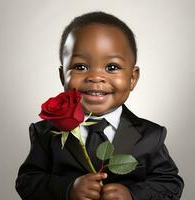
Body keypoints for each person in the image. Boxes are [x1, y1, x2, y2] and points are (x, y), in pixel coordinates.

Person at [15, 11, 184, 200]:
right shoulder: (46, 133)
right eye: (80, 67)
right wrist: (68, 190)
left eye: (112, 67)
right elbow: (27, 181)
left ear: (132, 78)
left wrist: (133, 195)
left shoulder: (151, 136)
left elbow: (170, 184)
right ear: (63, 76)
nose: (95, 77)